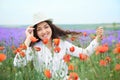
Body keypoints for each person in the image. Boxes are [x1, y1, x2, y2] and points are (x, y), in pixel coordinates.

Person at [13, 12, 104, 80]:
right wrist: (28, 39)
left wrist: (97, 40)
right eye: (39, 29)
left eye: (46, 27)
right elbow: (18, 64)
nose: (44, 31)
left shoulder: (62, 44)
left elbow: (85, 53)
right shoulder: (34, 48)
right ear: (36, 33)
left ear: (51, 28)